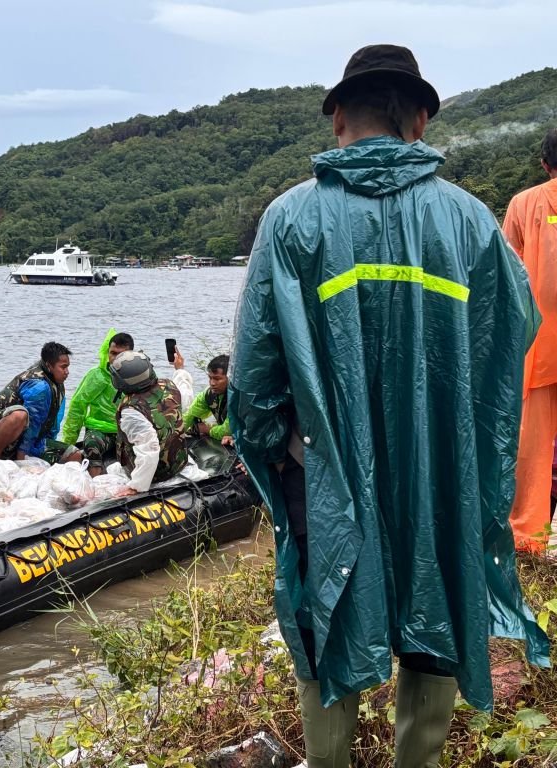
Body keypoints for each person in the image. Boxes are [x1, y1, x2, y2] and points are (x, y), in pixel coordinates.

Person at [228, 44, 549, 767]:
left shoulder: (290, 219)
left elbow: (252, 370)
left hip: (322, 469)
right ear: (422, 121)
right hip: (442, 465)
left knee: (327, 609)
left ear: (339, 117)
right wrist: (467, 444)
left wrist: (278, 448)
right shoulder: (468, 221)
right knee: (434, 604)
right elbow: (511, 343)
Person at [503, 127, 557, 552]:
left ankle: (528, 541)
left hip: (537, 346)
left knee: (533, 448)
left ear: (544, 163)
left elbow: (506, 281)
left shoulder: (525, 203)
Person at [0, 341, 83, 464]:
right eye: (63, 367)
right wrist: (23, 459)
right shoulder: (39, 386)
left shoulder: (56, 383)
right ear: (49, 365)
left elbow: (54, 422)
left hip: (34, 441)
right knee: (20, 415)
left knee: (74, 455)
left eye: (68, 366)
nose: (67, 371)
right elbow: (33, 422)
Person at [109, 348, 192, 493]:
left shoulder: (131, 410)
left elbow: (149, 449)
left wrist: (135, 487)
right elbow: (186, 395)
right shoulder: (169, 386)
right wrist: (180, 370)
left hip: (157, 475)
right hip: (178, 464)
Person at [60, 330, 135, 476]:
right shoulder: (97, 376)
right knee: (92, 446)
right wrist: (68, 443)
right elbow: (77, 406)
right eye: (112, 353)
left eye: (121, 354)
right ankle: (97, 483)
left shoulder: (138, 375)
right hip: (100, 430)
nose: (115, 358)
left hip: (127, 431)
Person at [183, 354, 232, 446]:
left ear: (230, 378)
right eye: (210, 378)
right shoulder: (209, 394)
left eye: (217, 379)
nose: (212, 383)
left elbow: (228, 430)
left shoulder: (238, 398)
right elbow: (190, 415)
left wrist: (207, 430)